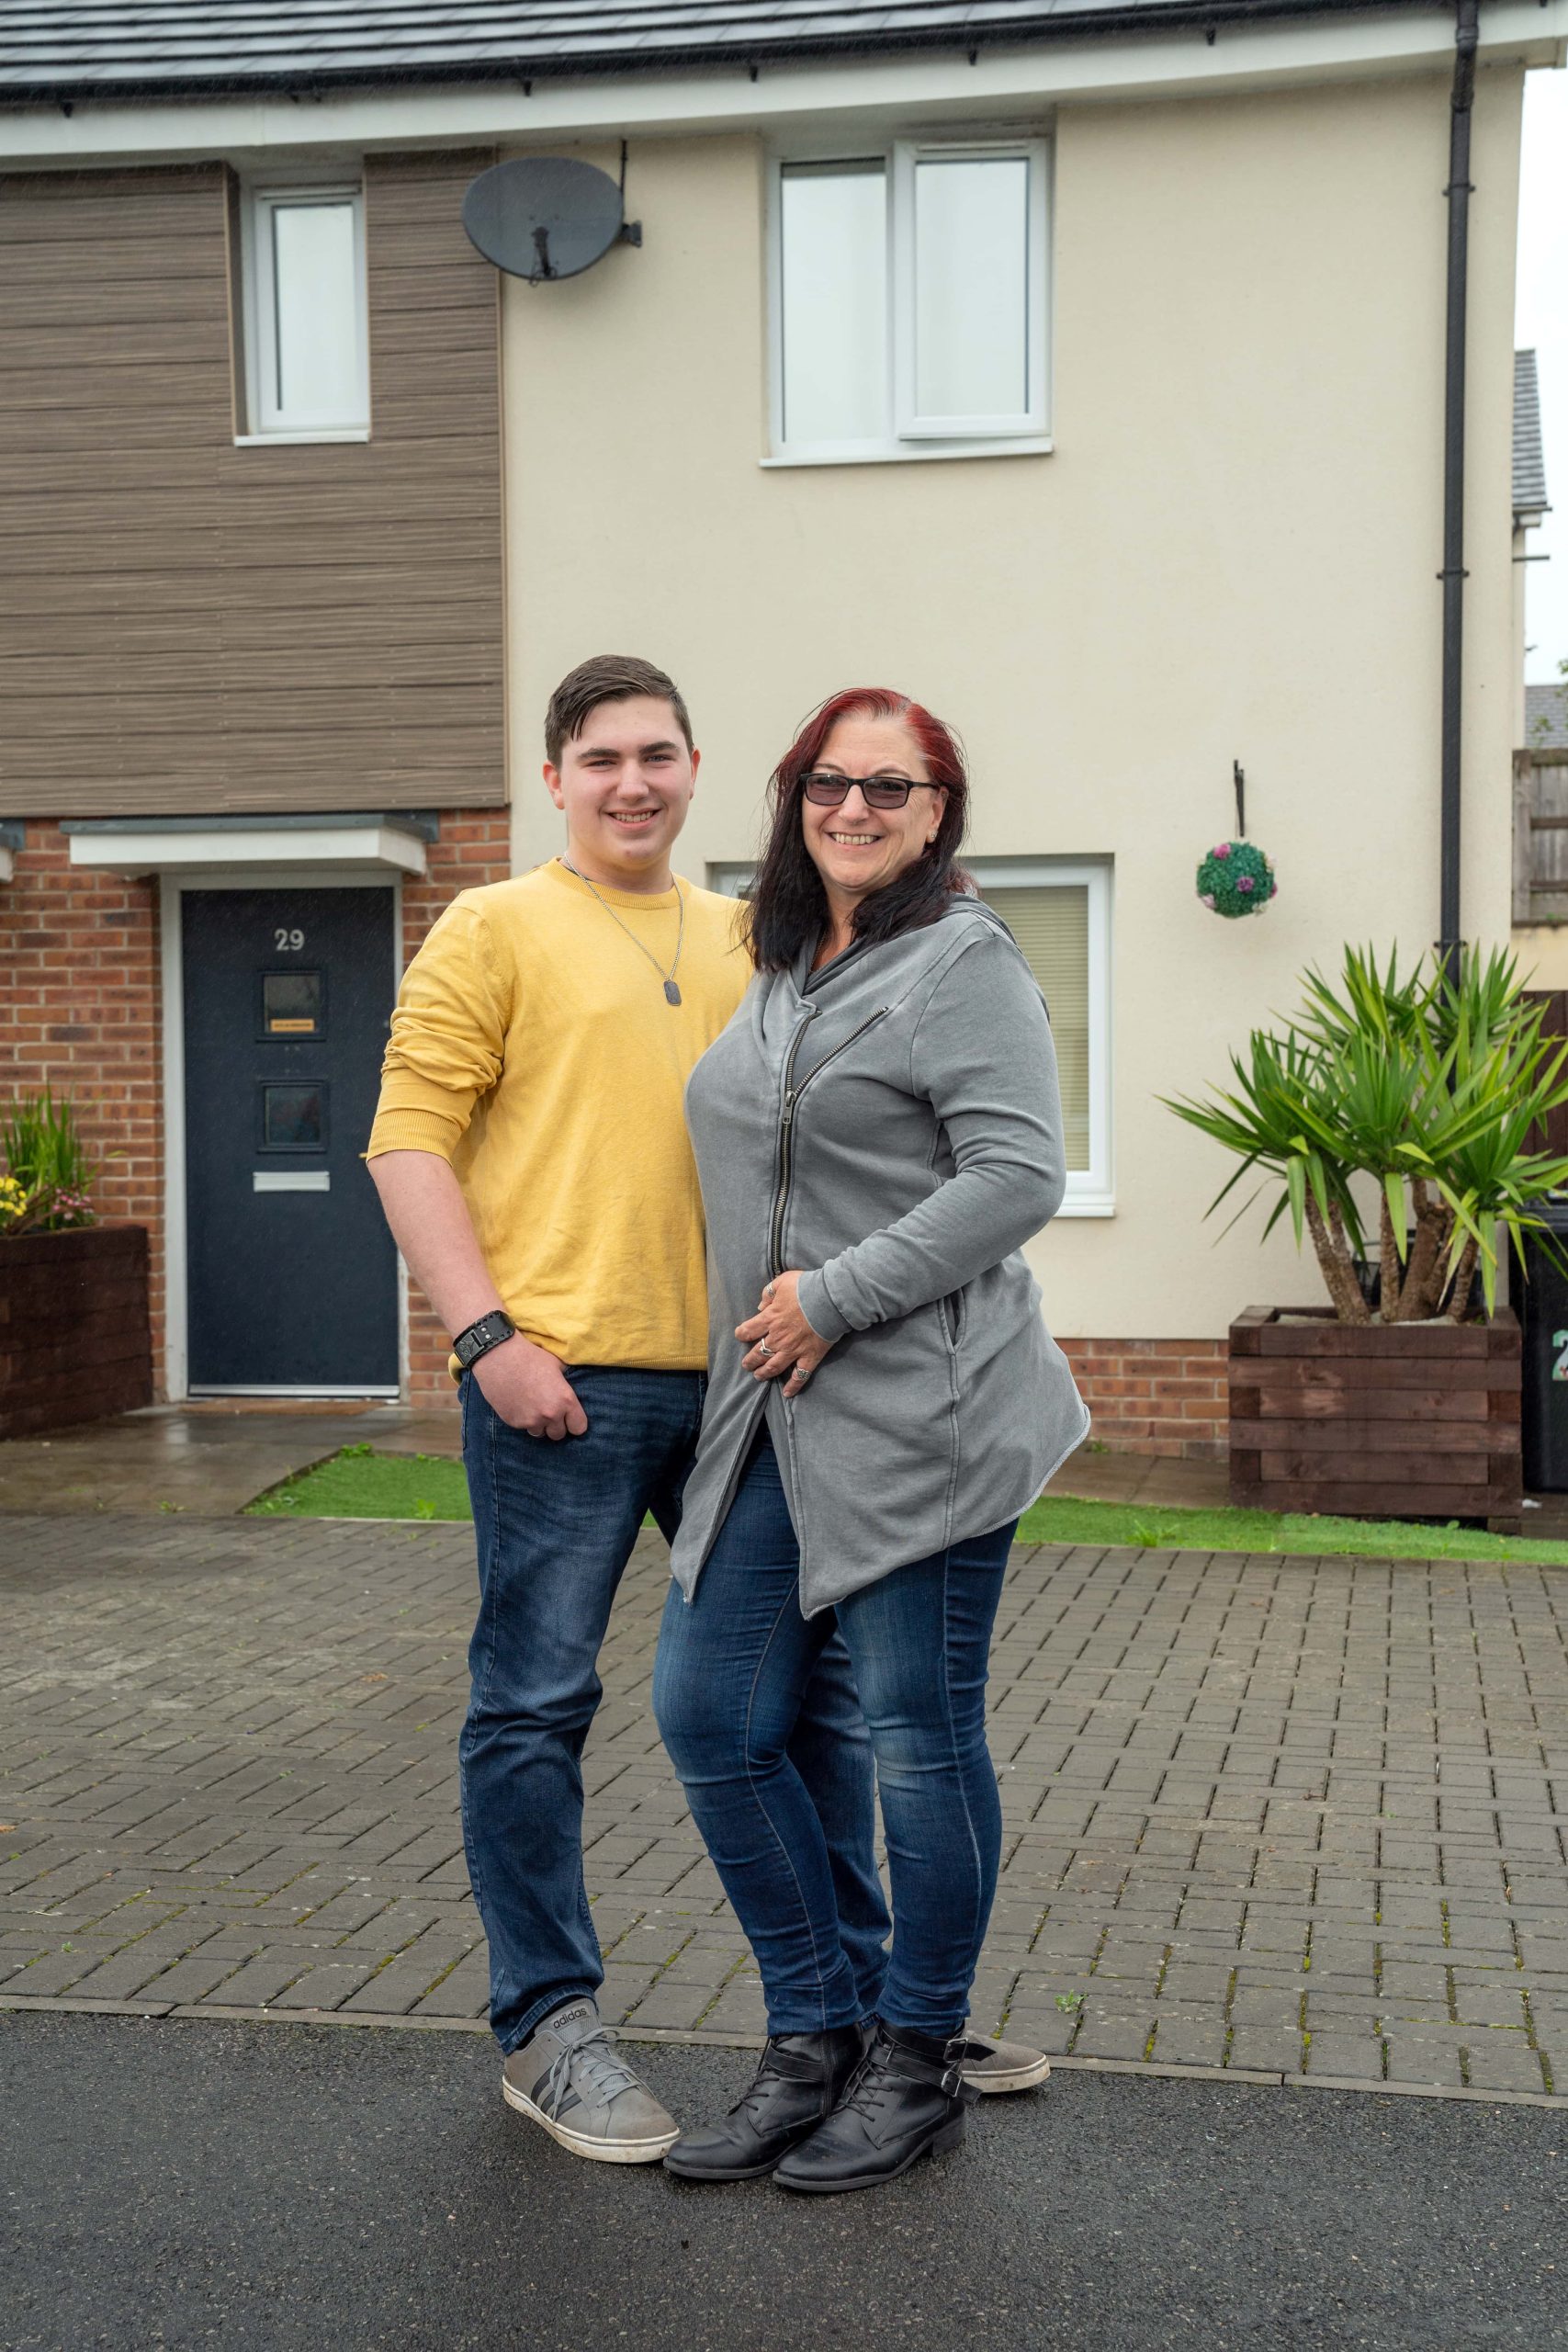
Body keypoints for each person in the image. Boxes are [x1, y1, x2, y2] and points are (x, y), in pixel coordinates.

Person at [366, 656, 1044, 2166]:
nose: (631, 782)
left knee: (806, 1715)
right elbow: (407, 1141)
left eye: (658, 754)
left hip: (768, 1387)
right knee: (537, 1704)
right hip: (566, 1384)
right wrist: (486, 1339)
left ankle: (880, 2018)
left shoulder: (764, 936)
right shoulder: (494, 928)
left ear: (693, 768)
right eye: (599, 757)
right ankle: (552, 2026)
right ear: (554, 778)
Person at [654, 687, 1089, 2194]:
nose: (855, 809)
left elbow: (1019, 1174)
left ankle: (917, 2058)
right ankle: (813, 2038)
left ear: (938, 810)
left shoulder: (963, 962)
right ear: (793, 799)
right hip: (770, 1410)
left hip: (928, 1416)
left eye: (889, 790)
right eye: (829, 784)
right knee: (710, 1714)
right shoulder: (782, 962)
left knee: (918, 1735)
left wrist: (836, 1298)